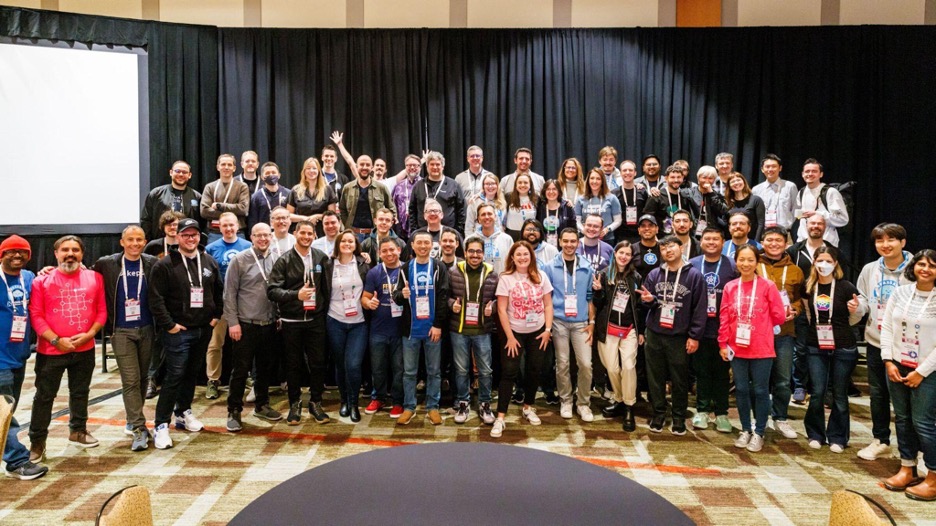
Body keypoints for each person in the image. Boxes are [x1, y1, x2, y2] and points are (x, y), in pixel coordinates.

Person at [28, 235, 107, 460]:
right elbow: (36, 315)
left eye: (75, 250)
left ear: (82, 254)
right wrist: (56, 340)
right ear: (56, 253)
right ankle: (37, 442)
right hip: (50, 351)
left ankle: (78, 431)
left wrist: (90, 335)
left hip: (84, 349)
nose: (70, 254)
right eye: (65, 250)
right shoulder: (41, 281)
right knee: (44, 397)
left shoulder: (95, 278)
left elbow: (102, 311)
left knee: (80, 392)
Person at [148, 219, 223, 449]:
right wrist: (169, 324)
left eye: (194, 235)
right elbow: (156, 299)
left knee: (191, 374)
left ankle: (182, 412)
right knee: (174, 376)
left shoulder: (208, 261)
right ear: (177, 237)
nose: (190, 239)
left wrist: (215, 316)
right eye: (186, 235)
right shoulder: (165, 264)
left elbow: (218, 291)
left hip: (202, 329)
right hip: (178, 331)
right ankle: (161, 424)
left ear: (199, 237)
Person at [92, 226, 158, 451]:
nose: (135, 244)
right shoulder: (107, 264)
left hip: (147, 329)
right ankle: (139, 428)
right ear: (122, 242)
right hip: (120, 331)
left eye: (139, 239)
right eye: (130, 239)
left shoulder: (151, 263)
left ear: (145, 242)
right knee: (130, 380)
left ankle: (132, 418)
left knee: (143, 378)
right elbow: (84, 276)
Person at [879, 249, 936, 501]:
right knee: (902, 419)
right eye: (921, 264)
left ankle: (933, 476)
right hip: (897, 365)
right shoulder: (901, 292)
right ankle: (907, 468)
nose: (926, 269)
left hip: (928, 371)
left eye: (932, 265)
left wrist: (921, 372)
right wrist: (888, 360)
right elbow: (887, 327)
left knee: (923, 423)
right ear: (913, 267)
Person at [718, 244, 787, 452]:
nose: (745, 264)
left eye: (750, 260)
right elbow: (724, 317)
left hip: (761, 347)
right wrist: (722, 343)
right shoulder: (731, 287)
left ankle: (759, 432)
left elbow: (779, 316)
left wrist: (761, 324)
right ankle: (745, 429)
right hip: (737, 347)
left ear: (757, 262)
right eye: (742, 259)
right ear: (736, 261)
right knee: (741, 389)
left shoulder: (768, 286)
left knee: (760, 390)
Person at [637, 236, 707, 435]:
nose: (667, 250)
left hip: (679, 336)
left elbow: (700, 308)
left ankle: (678, 416)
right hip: (655, 334)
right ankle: (658, 413)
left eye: (671, 246)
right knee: (655, 377)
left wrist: (694, 336)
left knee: (679, 378)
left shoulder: (694, 276)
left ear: (681, 248)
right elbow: (647, 302)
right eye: (663, 248)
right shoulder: (654, 274)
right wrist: (649, 301)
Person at [856, 223, 913, 461]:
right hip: (876, 342)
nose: (885, 245)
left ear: (903, 242)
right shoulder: (870, 269)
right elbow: (864, 299)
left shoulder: (917, 268)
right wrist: (856, 307)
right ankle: (880, 440)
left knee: (907, 400)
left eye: (891, 239)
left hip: (907, 346)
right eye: (880, 240)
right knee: (878, 395)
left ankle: (913, 449)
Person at [802, 245, 867, 452]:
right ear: (814, 262)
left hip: (843, 346)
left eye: (828, 261)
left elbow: (857, 314)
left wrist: (857, 309)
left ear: (836, 264)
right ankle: (815, 433)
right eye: (820, 260)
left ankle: (838, 437)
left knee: (839, 393)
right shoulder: (808, 286)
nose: (824, 264)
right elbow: (809, 314)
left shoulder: (846, 287)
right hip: (816, 345)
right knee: (817, 392)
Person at [267, 220, 331, 425]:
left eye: (310, 233)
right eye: (302, 233)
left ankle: (316, 402)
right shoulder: (284, 260)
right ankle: (295, 404)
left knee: (318, 363)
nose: (306, 237)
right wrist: (296, 295)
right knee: (293, 364)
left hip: (315, 320)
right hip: (291, 321)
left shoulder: (321, 257)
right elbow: (272, 291)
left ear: (314, 236)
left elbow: (327, 289)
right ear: (295, 234)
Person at [222, 223, 282, 433]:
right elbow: (229, 293)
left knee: (264, 369)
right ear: (251, 237)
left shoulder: (277, 258)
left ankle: (262, 405)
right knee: (240, 370)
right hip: (245, 325)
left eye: (266, 235)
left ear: (271, 237)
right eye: (258, 235)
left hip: (269, 324)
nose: (263, 239)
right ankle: (234, 410)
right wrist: (233, 322)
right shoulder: (239, 260)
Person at [491, 241, 553, 438]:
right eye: (518, 254)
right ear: (512, 257)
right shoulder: (506, 278)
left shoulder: (541, 276)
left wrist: (548, 329)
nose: (522, 258)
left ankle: (528, 407)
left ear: (531, 256)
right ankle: (500, 417)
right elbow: (501, 310)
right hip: (514, 332)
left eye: (526, 254)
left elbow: (548, 305)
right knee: (509, 372)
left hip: (538, 332)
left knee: (534, 370)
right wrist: (509, 336)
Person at [0, 235, 49, 479]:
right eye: (11, 251)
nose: (17, 255)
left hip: (18, 356)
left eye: (23, 252)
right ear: (2, 255)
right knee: (3, 413)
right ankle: (17, 461)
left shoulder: (28, 278)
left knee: (8, 409)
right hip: (0, 360)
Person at [392, 230, 450, 425]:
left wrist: (438, 325)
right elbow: (396, 296)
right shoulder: (405, 267)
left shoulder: (439, 267)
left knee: (434, 371)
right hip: (411, 330)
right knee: (409, 372)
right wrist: (402, 295)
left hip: (432, 329)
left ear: (432, 246)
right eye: (419, 243)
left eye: (427, 243)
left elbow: (443, 297)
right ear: (413, 245)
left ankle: (432, 406)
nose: (423, 246)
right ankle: (409, 407)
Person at [756, 226, 804, 441]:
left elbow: (799, 298)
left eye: (778, 240)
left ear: (786, 244)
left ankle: (780, 417)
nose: (774, 244)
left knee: (783, 380)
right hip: (758, 333)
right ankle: (760, 418)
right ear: (762, 243)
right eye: (769, 240)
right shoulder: (754, 265)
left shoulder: (795, 270)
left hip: (784, 332)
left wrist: (795, 309)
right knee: (759, 380)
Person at [543, 229, 596, 422]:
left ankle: (583, 403)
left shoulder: (587, 267)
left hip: (581, 322)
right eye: (565, 241)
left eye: (573, 241)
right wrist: (548, 325)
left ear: (578, 243)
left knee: (586, 364)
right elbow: (546, 298)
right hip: (559, 322)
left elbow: (590, 297)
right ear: (559, 242)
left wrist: (592, 322)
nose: (569, 245)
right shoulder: (549, 267)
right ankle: (566, 400)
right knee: (562, 363)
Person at [688, 227, 737, 433]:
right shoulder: (692, 264)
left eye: (715, 239)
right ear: (701, 242)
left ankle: (722, 413)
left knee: (722, 374)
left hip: (724, 329)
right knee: (702, 372)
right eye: (707, 238)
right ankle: (702, 410)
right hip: (699, 328)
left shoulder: (732, 265)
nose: (711, 242)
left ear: (723, 242)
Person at [448, 236, 499, 425]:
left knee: (485, 370)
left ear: (483, 253)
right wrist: (452, 304)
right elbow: (446, 296)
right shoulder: (454, 271)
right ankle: (463, 403)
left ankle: (485, 404)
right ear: (465, 252)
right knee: (461, 370)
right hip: (459, 330)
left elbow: (499, 300)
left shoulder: (492, 274)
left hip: (482, 330)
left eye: (478, 251)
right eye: (471, 251)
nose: (475, 255)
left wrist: (493, 308)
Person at [593, 241, 642, 431]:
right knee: (612, 368)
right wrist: (598, 292)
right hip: (608, 329)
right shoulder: (604, 274)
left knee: (628, 366)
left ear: (631, 257)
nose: (624, 257)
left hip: (629, 330)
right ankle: (619, 399)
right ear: (615, 253)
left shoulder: (636, 277)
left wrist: (640, 330)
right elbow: (598, 304)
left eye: (628, 254)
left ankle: (629, 406)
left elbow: (639, 306)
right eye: (621, 252)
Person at [203, 212, 252, 400]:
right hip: (221, 304)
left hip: (244, 303)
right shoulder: (211, 248)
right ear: (219, 227)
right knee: (215, 343)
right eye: (225, 225)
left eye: (232, 225)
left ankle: (246, 376)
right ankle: (213, 380)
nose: (229, 228)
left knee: (246, 343)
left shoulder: (248, 246)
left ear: (238, 226)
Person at [324, 230, 370, 422]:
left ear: (356, 245)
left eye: (351, 241)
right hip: (335, 320)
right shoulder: (328, 264)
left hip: (359, 322)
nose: (347, 244)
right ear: (338, 244)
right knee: (340, 364)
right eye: (343, 241)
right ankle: (344, 401)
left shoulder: (363, 263)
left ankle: (354, 403)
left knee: (353, 364)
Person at [787, 214, 833, 404]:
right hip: (802, 307)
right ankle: (800, 386)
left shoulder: (832, 250)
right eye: (812, 223)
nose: (816, 226)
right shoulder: (794, 250)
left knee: (826, 349)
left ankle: (823, 389)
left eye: (819, 223)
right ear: (806, 225)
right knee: (801, 350)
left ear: (825, 227)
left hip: (825, 308)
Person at [362, 238, 406, 418]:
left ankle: (398, 401)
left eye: (392, 250)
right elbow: (364, 298)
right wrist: (368, 303)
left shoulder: (407, 270)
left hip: (401, 330)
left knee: (399, 369)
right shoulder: (374, 272)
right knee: (378, 368)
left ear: (399, 250)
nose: (389, 254)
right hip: (379, 329)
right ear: (379, 254)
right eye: (384, 251)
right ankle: (378, 397)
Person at [331, 132, 397, 241]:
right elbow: (342, 209)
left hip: (375, 235)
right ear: (357, 166)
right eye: (361, 164)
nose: (364, 167)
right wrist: (348, 226)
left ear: (372, 168)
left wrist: (386, 228)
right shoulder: (347, 188)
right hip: (354, 235)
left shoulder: (381, 188)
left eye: (367, 165)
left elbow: (392, 209)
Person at [140, 160, 202, 241]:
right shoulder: (156, 194)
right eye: (177, 171)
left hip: (187, 241)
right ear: (171, 172)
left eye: (184, 172)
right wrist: (149, 241)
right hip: (160, 241)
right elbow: (146, 220)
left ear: (189, 175)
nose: (181, 174)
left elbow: (202, 223)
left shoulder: (197, 197)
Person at [794, 158, 849, 246]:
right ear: (802, 174)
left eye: (814, 171)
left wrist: (817, 214)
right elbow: (801, 217)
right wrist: (799, 215)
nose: (810, 174)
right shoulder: (801, 192)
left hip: (826, 243)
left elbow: (843, 219)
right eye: (807, 171)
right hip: (804, 242)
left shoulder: (830, 192)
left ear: (821, 174)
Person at [407, 151, 466, 234]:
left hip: (447, 235)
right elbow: (412, 210)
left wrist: (457, 232)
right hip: (423, 234)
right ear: (427, 167)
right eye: (432, 164)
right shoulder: (418, 186)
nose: (435, 167)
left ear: (443, 166)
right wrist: (415, 231)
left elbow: (461, 209)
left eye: (438, 164)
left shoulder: (453, 185)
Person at [201, 153, 250, 243]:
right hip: (214, 233)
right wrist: (233, 213)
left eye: (229, 165)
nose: (226, 167)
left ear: (234, 168)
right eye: (223, 164)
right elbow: (204, 211)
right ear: (218, 167)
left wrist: (220, 206)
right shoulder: (209, 187)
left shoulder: (242, 187)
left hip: (237, 233)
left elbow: (243, 209)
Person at [287, 157, 338, 238]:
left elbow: (333, 215)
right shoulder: (295, 190)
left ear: (319, 171)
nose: (311, 171)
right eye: (308, 168)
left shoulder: (327, 189)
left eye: (314, 168)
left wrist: (317, 216)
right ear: (304, 171)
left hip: (322, 233)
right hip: (302, 232)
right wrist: (306, 219)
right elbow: (288, 215)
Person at [642, 165, 699, 236]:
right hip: (662, 238)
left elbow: (696, 216)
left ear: (683, 178)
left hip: (682, 237)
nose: (676, 180)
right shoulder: (657, 196)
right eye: (672, 177)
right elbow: (647, 219)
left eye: (679, 177)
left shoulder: (686, 197)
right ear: (666, 178)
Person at [575, 169, 622, 246]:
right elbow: (577, 221)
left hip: (606, 239)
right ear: (588, 180)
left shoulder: (612, 198)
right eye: (592, 178)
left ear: (602, 181)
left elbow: (618, 220)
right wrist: (583, 230)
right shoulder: (580, 199)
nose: (594, 181)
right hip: (586, 238)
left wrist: (607, 229)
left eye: (598, 179)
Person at [751, 154, 797, 231]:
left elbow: (796, 210)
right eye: (767, 166)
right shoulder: (756, 189)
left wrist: (790, 225)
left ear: (780, 168)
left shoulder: (790, 186)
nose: (770, 169)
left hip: (785, 231)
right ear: (762, 169)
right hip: (764, 232)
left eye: (774, 166)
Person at [612, 160, 649, 244]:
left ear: (635, 173)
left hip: (640, 235)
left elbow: (647, 212)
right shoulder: (614, 194)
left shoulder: (642, 192)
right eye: (624, 170)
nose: (627, 172)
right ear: (620, 173)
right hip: (620, 235)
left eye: (630, 170)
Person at [247, 161, 291, 232]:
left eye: (273, 172)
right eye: (267, 173)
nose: (271, 175)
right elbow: (253, 221)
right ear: (262, 177)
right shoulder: (256, 197)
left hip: (285, 233)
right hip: (264, 234)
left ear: (279, 175)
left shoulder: (288, 194)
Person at [723, 173, 765, 242]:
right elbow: (725, 223)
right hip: (733, 241)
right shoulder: (727, 202)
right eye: (733, 181)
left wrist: (756, 242)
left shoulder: (756, 200)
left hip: (752, 241)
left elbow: (761, 223)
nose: (736, 183)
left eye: (738, 180)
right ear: (729, 186)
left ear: (744, 182)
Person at [691, 166, 730, 238]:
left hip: (711, 231)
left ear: (714, 180)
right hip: (693, 231)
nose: (707, 181)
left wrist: (711, 194)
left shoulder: (716, 195)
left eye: (710, 178)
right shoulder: (690, 193)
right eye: (704, 177)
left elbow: (724, 211)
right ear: (698, 178)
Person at [474, 203, 514, 274]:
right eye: (483, 214)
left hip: (502, 279)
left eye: (489, 214)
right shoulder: (471, 240)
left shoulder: (507, 239)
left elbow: (513, 263)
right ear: (478, 219)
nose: (487, 217)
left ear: (495, 217)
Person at [391, 154, 423, 241]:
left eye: (415, 165)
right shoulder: (398, 186)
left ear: (420, 167)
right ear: (405, 167)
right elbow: (392, 205)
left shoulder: (425, 185)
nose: (412, 167)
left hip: (420, 229)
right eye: (409, 165)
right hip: (401, 230)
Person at [536, 179, 576, 249]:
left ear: (559, 191)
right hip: (543, 248)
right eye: (548, 189)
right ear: (544, 191)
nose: (551, 192)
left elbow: (573, 229)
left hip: (563, 248)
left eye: (554, 189)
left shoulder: (567, 207)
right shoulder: (539, 207)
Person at [503, 173, 539, 240]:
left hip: (529, 234)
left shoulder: (536, 198)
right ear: (516, 185)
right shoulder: (508, 197)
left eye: (525, 183)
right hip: (511, 234)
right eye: (520, 182)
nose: (522, 185)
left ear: (530, 185)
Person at [633, 214, 662, 279]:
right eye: (643, 226)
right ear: (639, 230)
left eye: (651, 225)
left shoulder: (664, 248)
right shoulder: (632, 249)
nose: (647, 228)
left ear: (657, 229)